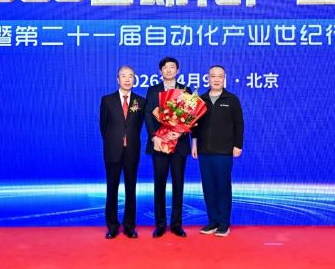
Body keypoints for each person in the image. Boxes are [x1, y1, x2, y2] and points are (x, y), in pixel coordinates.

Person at [192, 65, 244, 237]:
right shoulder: (201, 100)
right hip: (204, 150)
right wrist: (194, 143)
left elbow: (239, 124)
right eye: (213, 76)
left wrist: (238, 145)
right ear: (208, 78)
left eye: (220, 76)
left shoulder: (232, 99)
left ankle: (224, 223)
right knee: (208, 187)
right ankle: (213, 221)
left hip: (224, 151)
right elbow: (194, 125)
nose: (216, 79)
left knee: (222, 187)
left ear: (224, 79)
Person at [145, 57, 191, 238]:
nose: (169, 70)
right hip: (159, 144)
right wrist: (154, 137)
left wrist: (179, 132)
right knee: (160, 184)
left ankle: (177, 224)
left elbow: (190, 117)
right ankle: (160, 224)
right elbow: (148, 115)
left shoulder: (185, 90)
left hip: (179, 144)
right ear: (160, 71)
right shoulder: (153, 90)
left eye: (172, 67)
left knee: (178, 185)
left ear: (177, 70)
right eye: (165, 67)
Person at [100, 66, 146, 239]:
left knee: (130, 189)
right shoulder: (107, 100)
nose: (127, 79)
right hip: (113, 150)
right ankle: (112, 226)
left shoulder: (140, 101)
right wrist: (115, 141)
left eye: (130, 76)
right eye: (123, 76)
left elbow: (139, 125)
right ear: (117, 79)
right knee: (112, 189)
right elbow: (103, 127)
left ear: (134, 79)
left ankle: (129, 226)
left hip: (132, 151)